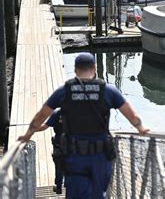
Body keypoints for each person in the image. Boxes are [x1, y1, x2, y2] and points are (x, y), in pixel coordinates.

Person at [19, 52, 149, 199]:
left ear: (75, 70)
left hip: (74, 155)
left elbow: (40, 116)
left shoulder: (64, 92)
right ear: (94, 68)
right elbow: (132, 116)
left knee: (75, 194)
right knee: (99, 194)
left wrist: (27, 135)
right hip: (100, 155)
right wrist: (141, 128)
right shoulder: (108, 91)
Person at [36, 109, 64, 194]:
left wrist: (33, 129)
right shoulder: (76, 112)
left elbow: (45, 126)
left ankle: (59, 187)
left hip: (59, 144)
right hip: (74, 144)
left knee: (59, 166)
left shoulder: (56, 113)